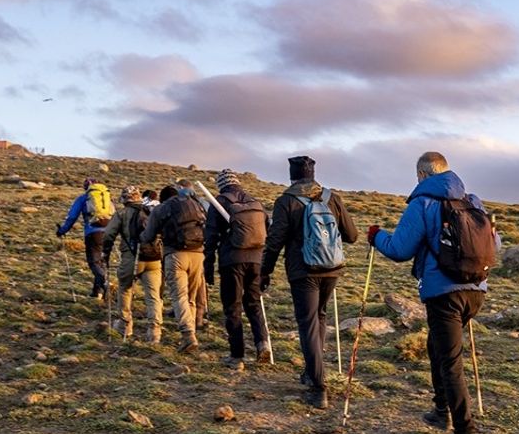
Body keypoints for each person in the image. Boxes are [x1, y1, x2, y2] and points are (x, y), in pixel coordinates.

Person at [368, 152, 497, 434]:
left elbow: (400, 249)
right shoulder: (473, 202)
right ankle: (441, 410)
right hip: (476, 291)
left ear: (422, 176)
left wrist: (376, 237)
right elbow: (495, 244)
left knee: (451, 362)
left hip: (444, 293)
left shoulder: (422, 203)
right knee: (436, 345)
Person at [261, 155, 358, 407]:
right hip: (331, 268)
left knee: (307, 324)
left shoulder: (286, 201)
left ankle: (318, 387)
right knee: (320, 317)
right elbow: (352, 235)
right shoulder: (331, 198)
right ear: (313, 174)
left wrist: (265, 271)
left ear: (292, 176)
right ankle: (311, 372)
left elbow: (275, 240)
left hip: (302, 270)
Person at [204, 170, 272, 369]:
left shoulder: (219, 203)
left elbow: (211, 237)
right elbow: (267, 232)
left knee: (233, 307)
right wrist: (265, 268)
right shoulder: (255, 202)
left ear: (221, 185)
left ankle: (237, 356)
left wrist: (208, 267)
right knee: (253, 303)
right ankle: (263, 344)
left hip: (231, 260)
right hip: (257, 260)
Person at [143, 179, 207, 353]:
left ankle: (188, 335)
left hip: (175, 255)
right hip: (198, 255)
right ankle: (192, 333)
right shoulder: (196, 204)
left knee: (179, 297)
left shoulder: (162, 208)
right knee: (191, 298)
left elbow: (148, 236)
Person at [101, 186, 164, 344]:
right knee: (153, 295)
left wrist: (106, 253)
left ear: (124, 199)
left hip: (131, 257)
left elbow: (109, 234)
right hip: (153, 258)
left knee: (125, 289)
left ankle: (124, 324)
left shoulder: (122, 214)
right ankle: (154, 330)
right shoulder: (152, 211)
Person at [56, 177, 112, 300]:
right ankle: (97, 292)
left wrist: (62, 231)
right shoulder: (106, 198)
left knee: (94, 262)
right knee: (102, 262)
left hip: (93, 233)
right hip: (108, 234)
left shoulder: (84, 198)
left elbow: (72, 217)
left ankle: (104, 283)